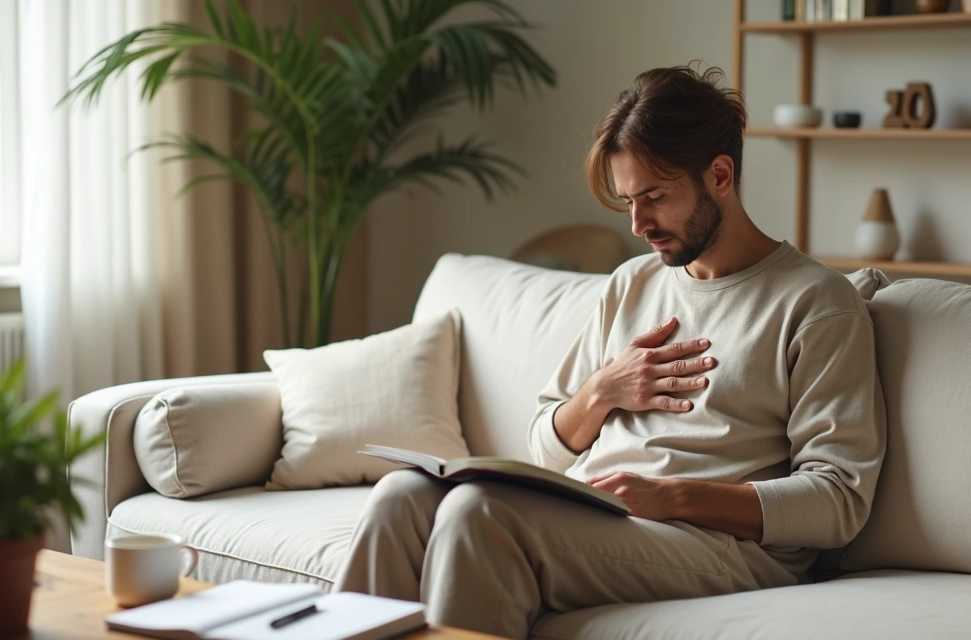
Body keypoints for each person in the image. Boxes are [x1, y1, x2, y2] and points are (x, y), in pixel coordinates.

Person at [334, 64, 886, 639]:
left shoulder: (816, 303)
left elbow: (838, 500)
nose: (639, 223)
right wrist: (601, 391)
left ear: (720, 175)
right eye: (627, 201)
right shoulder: (631, 284)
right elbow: (546, 451)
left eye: (655, 197)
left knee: (481, 516)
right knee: (400, 495)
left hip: (717, 545)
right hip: (598, 517)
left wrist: (671, 496)